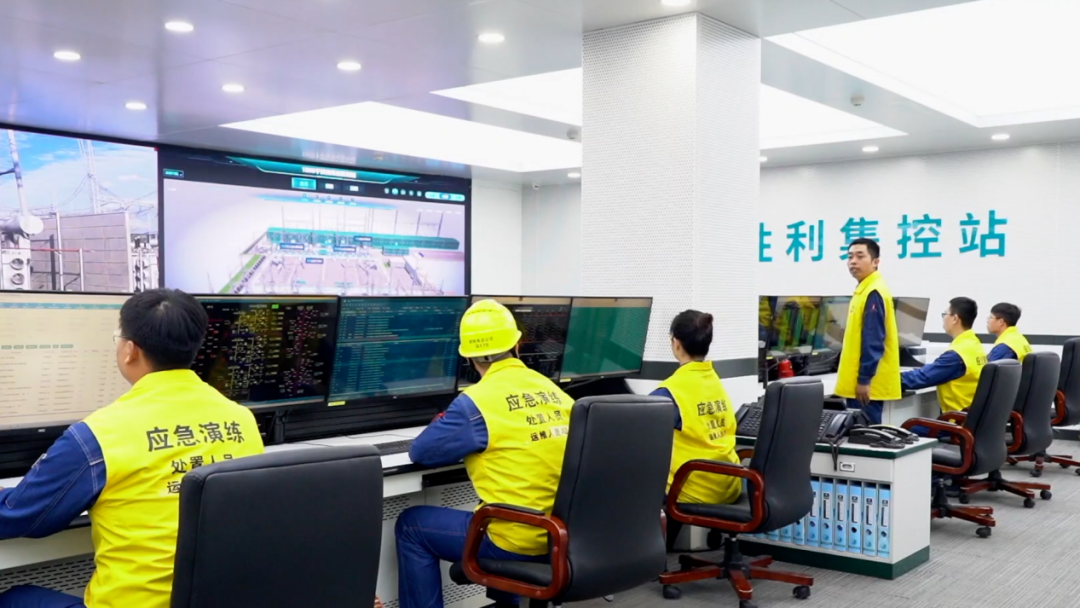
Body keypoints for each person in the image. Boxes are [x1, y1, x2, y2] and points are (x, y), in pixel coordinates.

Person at [0, 289, 265, 608]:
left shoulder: (98, 436)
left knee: (14, 598)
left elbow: (23, 515)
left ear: (129, 350)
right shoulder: (242, 419)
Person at [396, 300, 574, 608]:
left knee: (411, 525)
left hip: (515, 540)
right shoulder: (555, 392)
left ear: (467, 357)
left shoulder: (476, 402)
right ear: (517, 344)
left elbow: (421, 452)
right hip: (561, 536)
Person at [651, 310, 740, 549]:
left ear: (676, 343)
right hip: (729, 484)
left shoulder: (670, 392)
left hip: (695, 489)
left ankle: (649, 555)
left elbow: (635, 433)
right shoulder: (714, 381)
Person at [834, 238, 901, 424]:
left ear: (875, 262)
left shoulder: (873, 291)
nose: (853, 261)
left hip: (866, 385)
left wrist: (864, 380)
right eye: (850, 257)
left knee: (865, 435)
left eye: (860, 256)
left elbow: (873, 340)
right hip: (863, 382)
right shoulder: (865, 289)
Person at [901, 297, 987, 416]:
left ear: (955, 319)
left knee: (903, 426)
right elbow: (936, 369)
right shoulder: (974, 345)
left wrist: (888, 378)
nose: (943, 318)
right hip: (971, 417)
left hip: (957, 420)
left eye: (945, 314)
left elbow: (921, 378)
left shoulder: (957, 354)